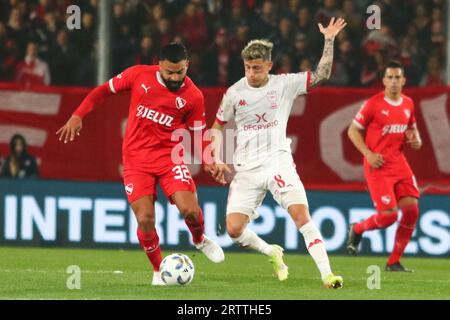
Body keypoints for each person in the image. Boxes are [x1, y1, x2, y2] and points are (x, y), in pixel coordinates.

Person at [56, 43, 224, 286]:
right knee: (145, 218)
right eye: (169, 72)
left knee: (190, 210)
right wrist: (78, 115)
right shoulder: (139, 75)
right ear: (159, 66)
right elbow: (103, 91)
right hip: (136, 160)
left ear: (187, 65)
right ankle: (158, 271)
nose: (175, 77)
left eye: (180, 72)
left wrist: (210, 161)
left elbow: (198, 134)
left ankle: (199, 239)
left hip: (170, 157)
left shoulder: (193, 96)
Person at [206, 18, 346, 288]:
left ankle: (328, 275)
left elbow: (322, 74)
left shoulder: (284, 84)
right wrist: (216, 156)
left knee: (301, 216)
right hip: (246, 169)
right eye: (247, 67)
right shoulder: (234, 93)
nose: (252, 73)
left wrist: (328, 40)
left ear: (269, 66)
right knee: (234, 230)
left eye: (257, 68)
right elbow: (217, 126)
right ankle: (272, 251)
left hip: (278, 162)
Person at [346, 60, 422, 272]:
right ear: (384, 81)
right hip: (377, 166)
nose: (394, 81)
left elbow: (412, 129)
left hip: (399, 164)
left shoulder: (408, 103)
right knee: (389, 217)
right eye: (390, 77)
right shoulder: (373, 104)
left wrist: (417, 141)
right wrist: (368, 154)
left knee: (411, 211)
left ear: (404, 80)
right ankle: (358, 228)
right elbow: (352, 131)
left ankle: (393, 262)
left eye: (398, 77)